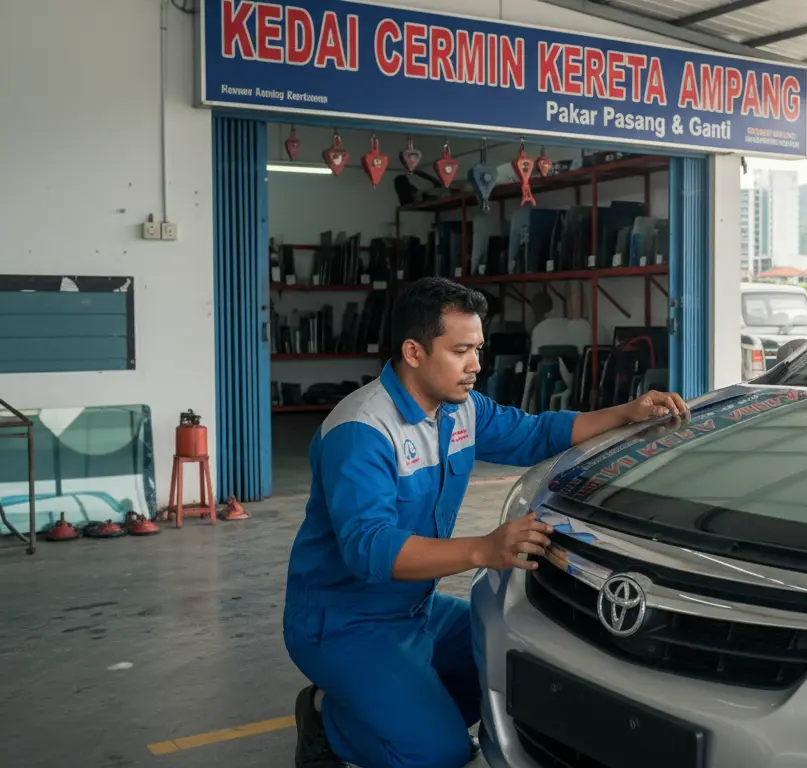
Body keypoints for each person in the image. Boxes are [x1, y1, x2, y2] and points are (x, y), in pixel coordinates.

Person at [282, 277, 689, 768]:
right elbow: (368, 548)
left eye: (478, 349)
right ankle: (329, 720)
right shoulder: (362, 431)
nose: (476, 365)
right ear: (413, 351)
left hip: (414, 608)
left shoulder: (460, 410)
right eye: (460, 351)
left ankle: (395, 709)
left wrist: (627, 412)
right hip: (343, 622)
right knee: (436, 754)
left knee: (512, 672)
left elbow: (537, 434)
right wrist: (484, 549)